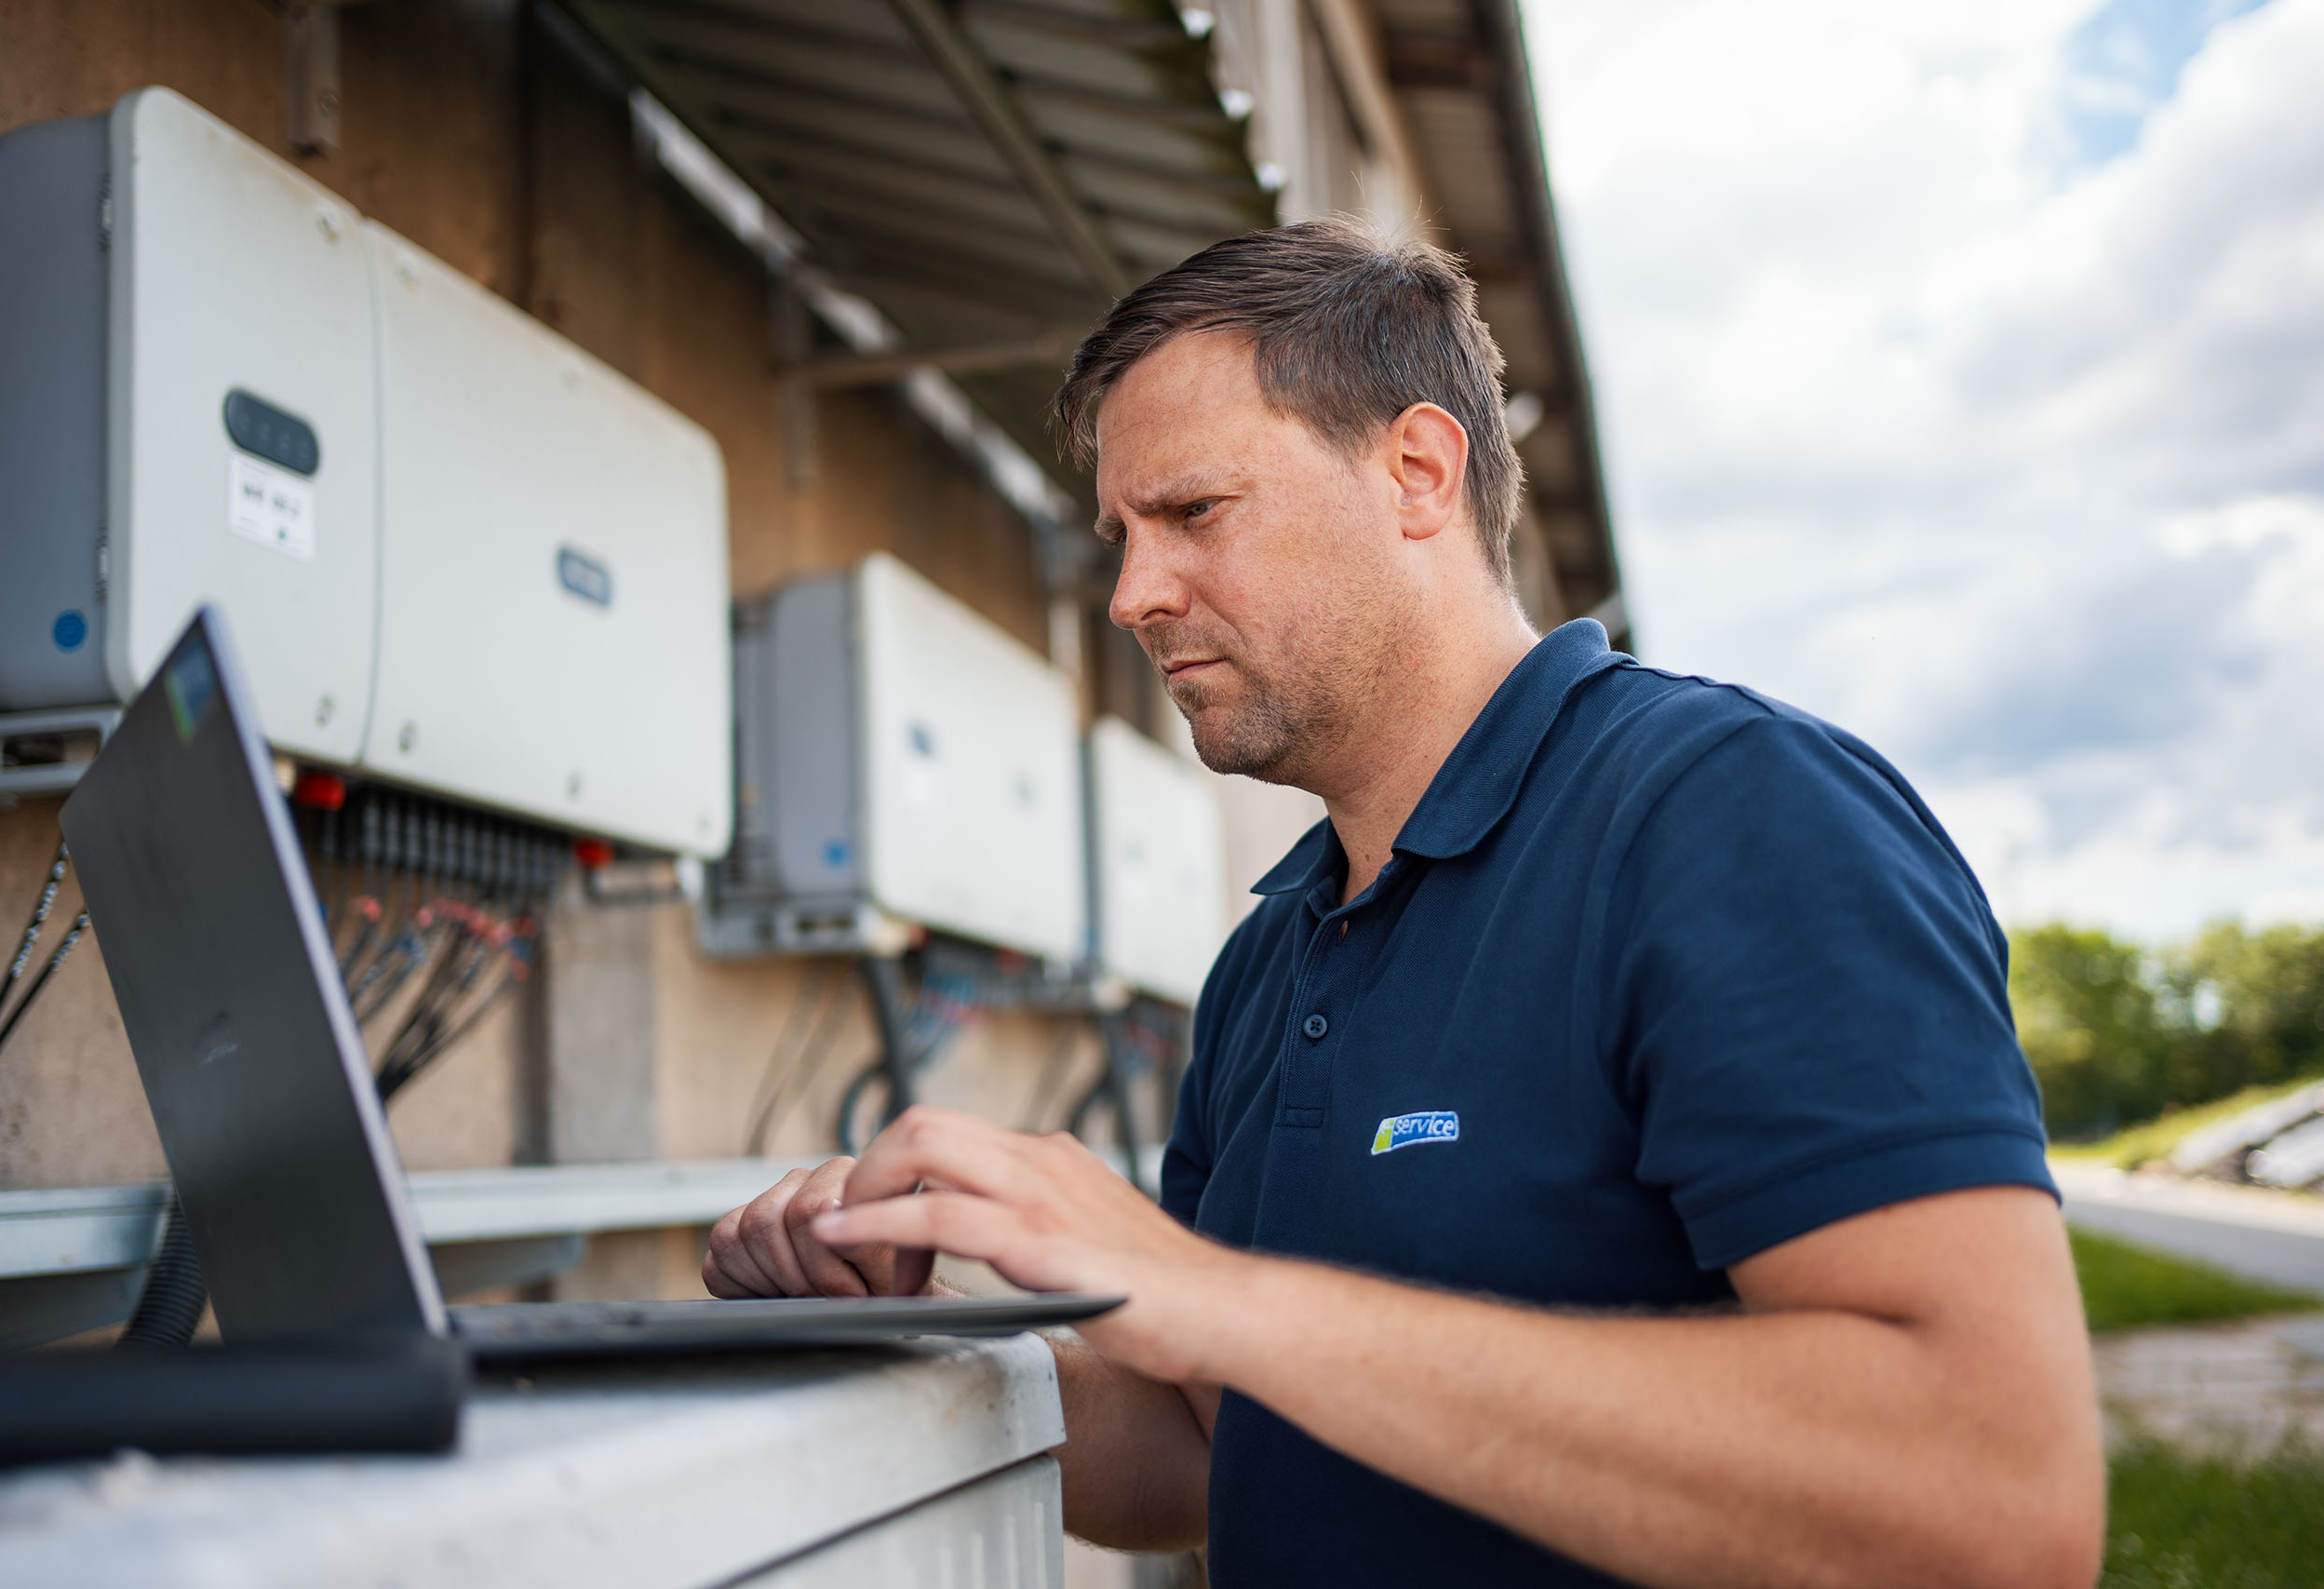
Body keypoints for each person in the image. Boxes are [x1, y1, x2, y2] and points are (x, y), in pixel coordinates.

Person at [703, 219, 2104, 1588]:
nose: (1133, 594)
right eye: (1120, 534)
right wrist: (919, 1346)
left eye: (1193, 512)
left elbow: (1992, 1501)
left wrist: (1219, 1300)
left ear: (1418, 470)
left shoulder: (1728, 812)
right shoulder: (1267, 960)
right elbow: (1212, 1446)